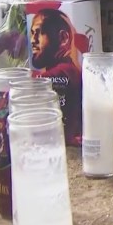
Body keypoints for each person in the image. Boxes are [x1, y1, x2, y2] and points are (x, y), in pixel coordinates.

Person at [29, 8, 82, 146]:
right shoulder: (70, 70)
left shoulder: (64, 72)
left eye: (39, 33)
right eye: (32, 33)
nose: (33, 40)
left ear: (63, 38)